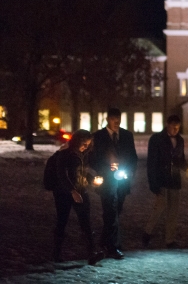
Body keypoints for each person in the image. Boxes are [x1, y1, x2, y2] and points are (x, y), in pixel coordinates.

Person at [89, 107, 138, 260]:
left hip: (122, 180)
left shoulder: (127, 136)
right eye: (113, 120)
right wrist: (104, 168)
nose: (116, 123)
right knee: (110, 210)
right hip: (107, 179)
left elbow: (133, 157)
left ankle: (105, 240)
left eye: (118, 120)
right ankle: (114, 246)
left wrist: (130, 171)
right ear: (108, 119)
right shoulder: (98, 136)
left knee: (115, 211)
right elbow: (92, 158)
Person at [52, 129, 104, 265]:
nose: (86, 147)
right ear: (76, 141)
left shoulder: (83, 154)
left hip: (81, 190)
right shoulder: (64, 153)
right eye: (84, 143)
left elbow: (82, 172)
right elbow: (62, 175)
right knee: (62, 221)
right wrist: (72, 191)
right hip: (63, 193)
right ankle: (56, 254)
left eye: (88, 144)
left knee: (85, 222)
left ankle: (92, 253)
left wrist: (92, 179)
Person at [143, 115, 188, 248]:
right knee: (159, 208)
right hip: (161, 179)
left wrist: (186, 167)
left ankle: (170, 239)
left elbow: (181, 158)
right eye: (173, 127)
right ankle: (147, 232)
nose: (175, 130)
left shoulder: (180, 140)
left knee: (173, 211)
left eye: (177, 127)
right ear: (167, 125)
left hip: (175, 179)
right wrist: (153, 182)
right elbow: (151, 162)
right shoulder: (157, 139)